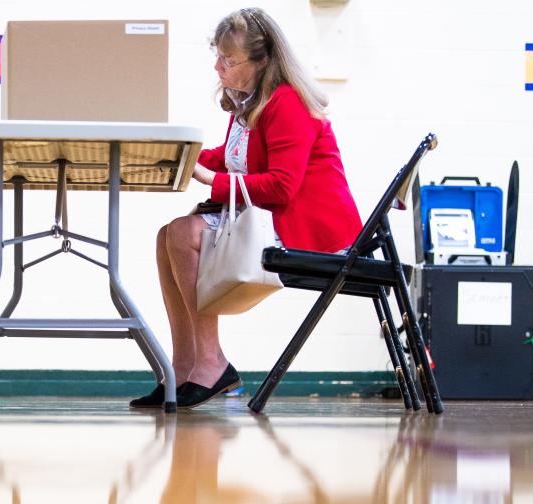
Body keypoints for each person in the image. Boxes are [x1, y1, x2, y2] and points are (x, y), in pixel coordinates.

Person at [133, 8, 362, 410]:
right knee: (166, 235)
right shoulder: (250, 102)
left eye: (228, 59)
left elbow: (281, 187)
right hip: (273, 217)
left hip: (310, 230)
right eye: (217, 56)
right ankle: (183, 368)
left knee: (185, 234)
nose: (218, 66)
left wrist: (207, 179)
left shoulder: (287, 102)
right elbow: (236, 156)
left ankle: (211, 362)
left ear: (261, 62)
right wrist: (185, 157)